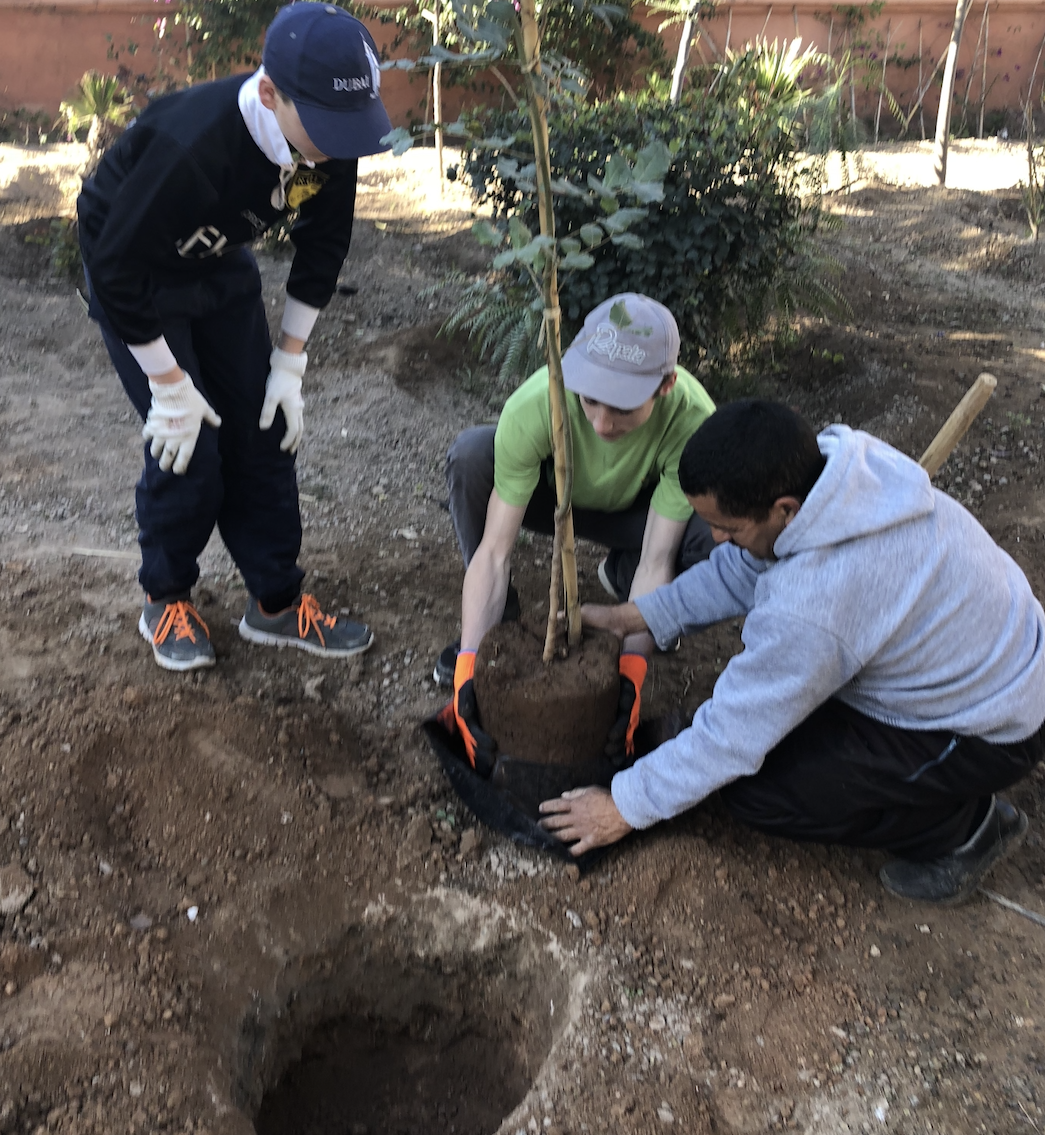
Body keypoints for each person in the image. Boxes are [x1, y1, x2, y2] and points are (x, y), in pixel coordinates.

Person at [541, 400, 1045, 905]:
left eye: (729, 528)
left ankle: (966, 829)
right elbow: (744, 566)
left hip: (986, 725)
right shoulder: (838, 474)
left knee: (757, 791)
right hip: (963, 658)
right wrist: (632, 617)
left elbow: (735, 737)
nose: (716, 538)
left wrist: (623, 808)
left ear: (785, 509)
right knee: (763, 718)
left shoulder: (815, 602)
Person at [77, 0, 391, 671]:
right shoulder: (190, 143)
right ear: (272, 93)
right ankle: (166, 598)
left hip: (217, 261)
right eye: (329, 127)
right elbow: (113, 267)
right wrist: (168, 385)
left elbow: (323, 244)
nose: (340, 145)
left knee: (266, 430)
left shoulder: (326, 136)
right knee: (192, 442)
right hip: (136, 273)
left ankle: (276, 603)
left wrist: (290, 365)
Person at [438, 293, 715, 771]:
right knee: (473, 454)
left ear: (665, 385)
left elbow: (658, 558)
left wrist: (629, 674)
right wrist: (469, 668)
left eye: (624, 409)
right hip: (551, 502)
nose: (603, 423)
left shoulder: (692, 422)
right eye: (590, 400)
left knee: (714, 536)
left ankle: (623, 580)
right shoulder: (538, 404)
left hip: (638, 518)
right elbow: (494, 552)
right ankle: (497, 625)